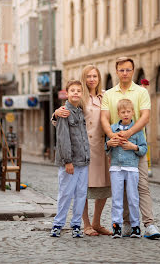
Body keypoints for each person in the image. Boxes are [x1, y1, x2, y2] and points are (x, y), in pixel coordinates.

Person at [101, 56, 160, 239]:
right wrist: (112, 136)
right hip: (117, 148)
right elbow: (104, 118)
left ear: (133, 71)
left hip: (135, 146)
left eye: (128, 69)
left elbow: (145, 117)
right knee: (121, 190)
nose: (125, 73)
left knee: (141, 186)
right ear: (116, 71)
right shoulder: (109, 94)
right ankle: (126, 224)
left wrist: (128, 134)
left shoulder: (141, 92)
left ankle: (149, 224)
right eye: (121, 70)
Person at [53, 65, 111, 236]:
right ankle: (84, 224)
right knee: (82, 189)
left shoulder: (105, 97)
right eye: (88, 76)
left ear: (99, 78)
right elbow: (64, 116)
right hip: (83, 149)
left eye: (95, 76)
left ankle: (97, 222)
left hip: (102, 148)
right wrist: (56, 114)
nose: (92, 79)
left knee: (104, 187)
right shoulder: (79, 96)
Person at [50, 80, 90, 238]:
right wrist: (67, 161)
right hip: (70, 163)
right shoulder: (64, 112)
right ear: (67, 93)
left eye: (78, 91)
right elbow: (63, 139)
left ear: (81, 94)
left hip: (84, 161)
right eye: (72, 90)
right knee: (66, 193)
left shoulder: (80, 111)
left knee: (81, 194)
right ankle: (57, 225)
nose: (75, 93)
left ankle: (76, 225)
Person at [106, 99, 147, 239]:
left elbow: (143, 149)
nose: (126, 114)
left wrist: (133, 147)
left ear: (133, 112)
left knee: (133, 198)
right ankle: (116, 227)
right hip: (116, 168)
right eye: (123, 112)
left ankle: (136, 227)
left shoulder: (137, 130)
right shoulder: (112, 129)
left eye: (128, 111)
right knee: (117, 198)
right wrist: (109, 143)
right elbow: (106, 148)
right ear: (118, 113)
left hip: (132, 169)